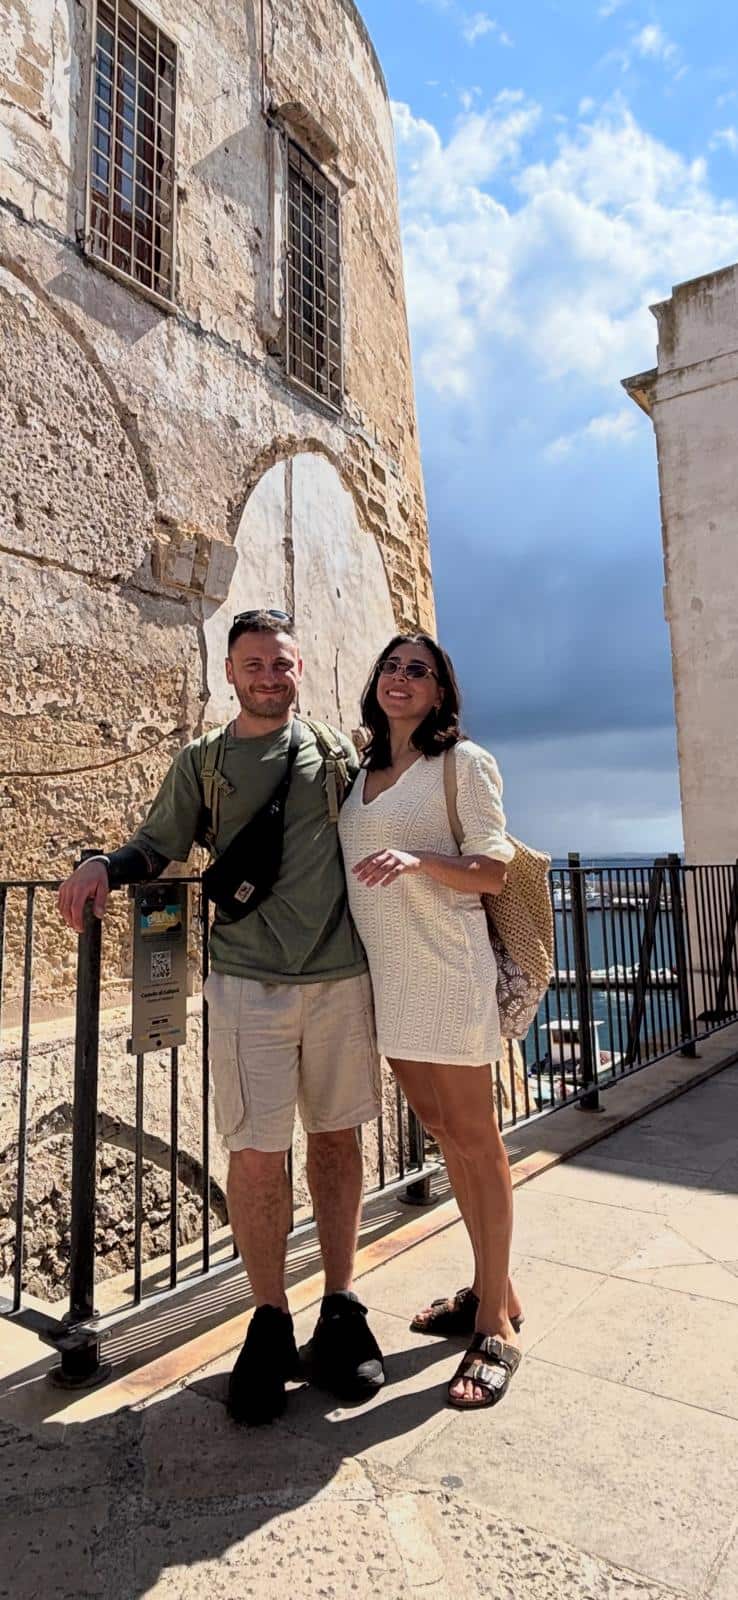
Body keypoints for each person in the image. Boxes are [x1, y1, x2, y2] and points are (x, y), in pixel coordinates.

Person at [58, 609, 384, 1426]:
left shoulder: (336, 756)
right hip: (246, 986)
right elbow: (156, 845)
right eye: (253, 664)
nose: (268, 676)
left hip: (341, 978)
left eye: (281, 663)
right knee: (255, 1153)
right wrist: (105, 863)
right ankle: (270, 1319)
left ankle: (340, 1307)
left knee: (337, 1141)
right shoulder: (203, 763)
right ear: (229, 672)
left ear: (299, 667)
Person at [338, 633, 523, 1410]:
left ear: (442, 691)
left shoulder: (462, 765)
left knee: (476, 1140)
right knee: (443, 1133)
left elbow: (493, 865)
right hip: (394, 985)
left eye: (420, 670)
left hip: (448, 975)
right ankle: (495, 1288)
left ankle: (494, 1329)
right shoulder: (361, 774)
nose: (402, 678)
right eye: (392, 666)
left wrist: (419, 862)